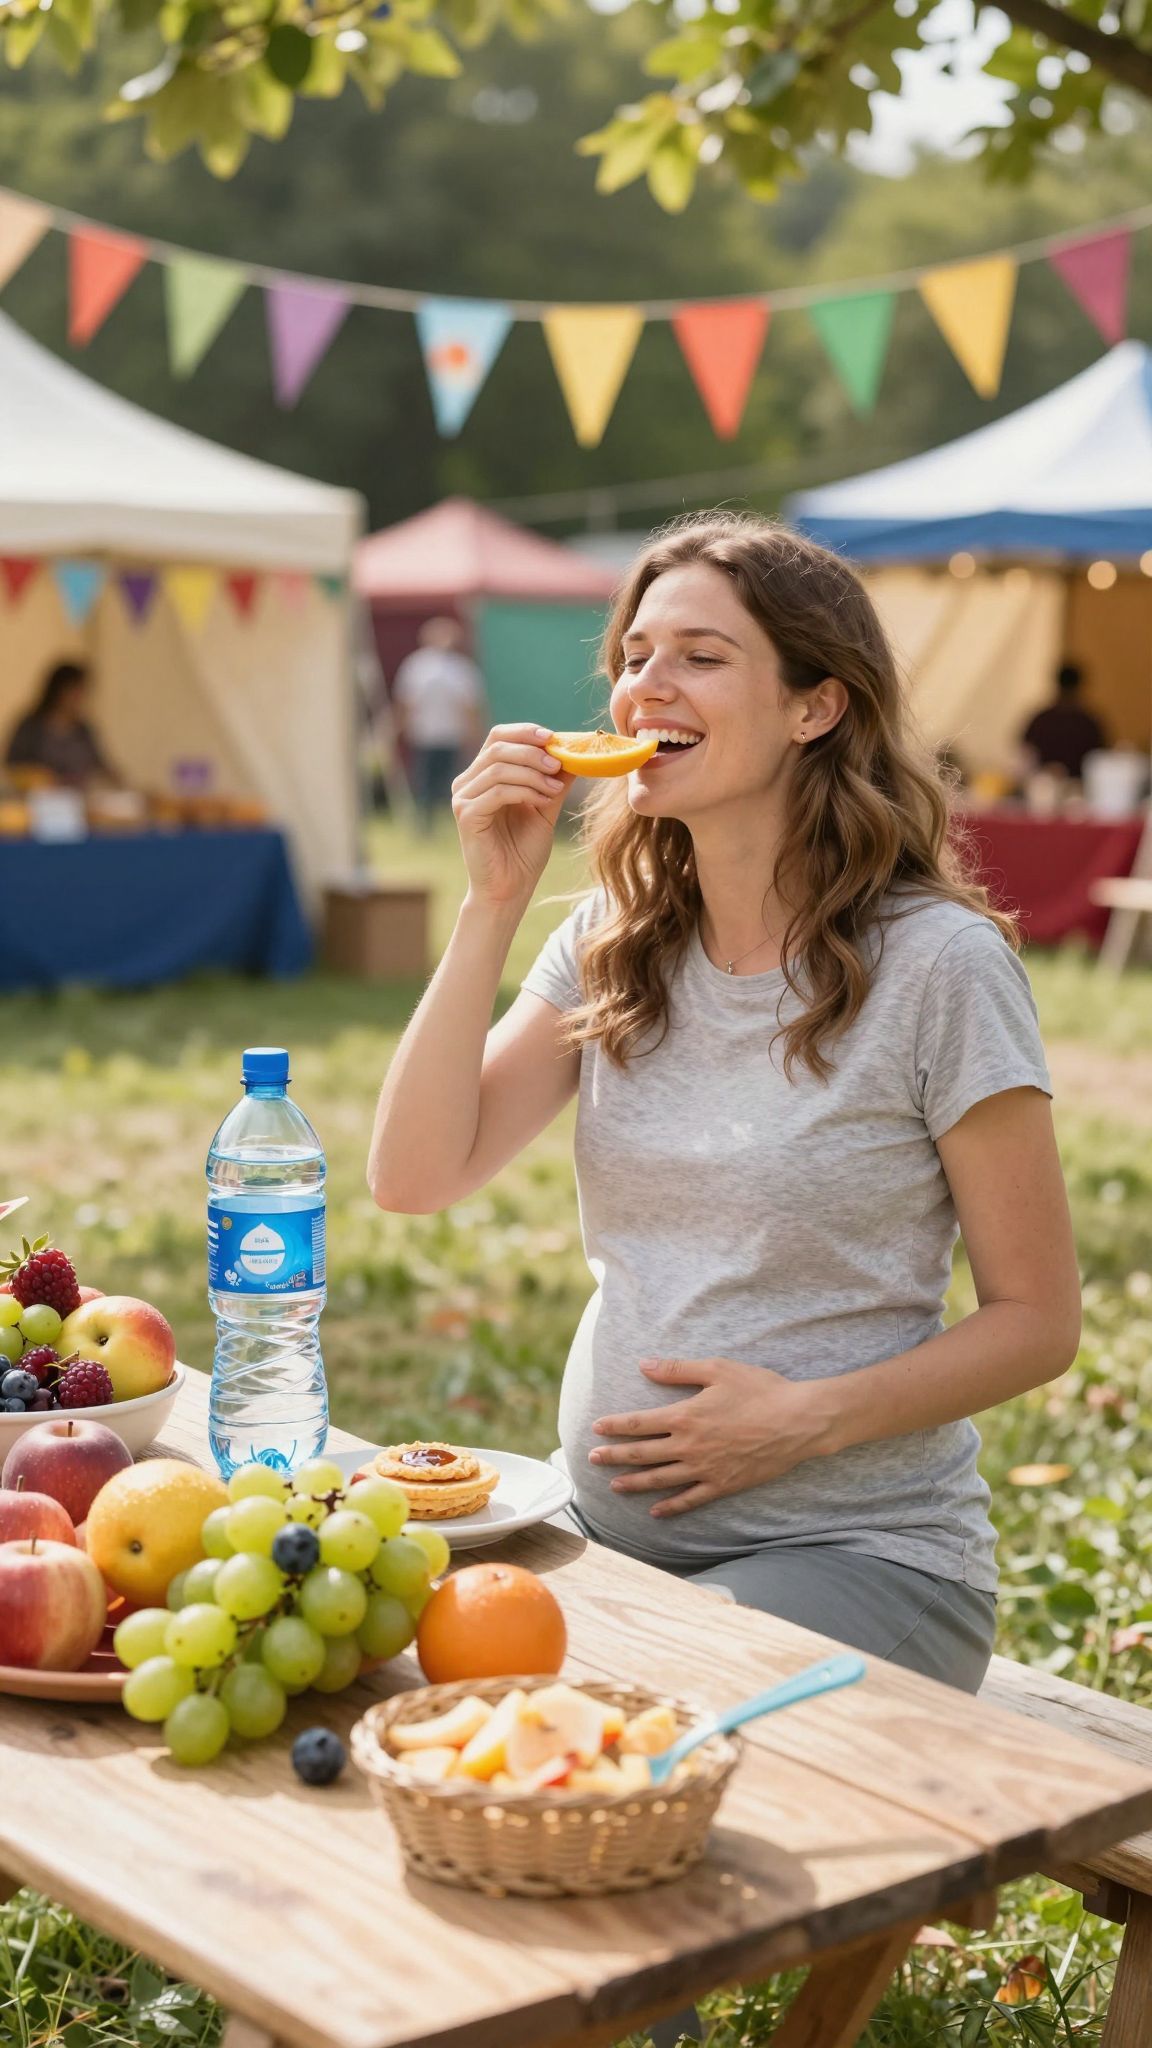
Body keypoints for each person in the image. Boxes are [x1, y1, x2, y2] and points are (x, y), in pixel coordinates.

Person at [368, 513, 1080, 1702]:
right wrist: (492, 900)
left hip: (858, 1554)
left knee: (615, 1731)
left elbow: (1038, 1319)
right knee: (406, 1699)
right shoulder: (613, 939)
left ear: (817, 704)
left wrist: (804, 1420)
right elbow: (414, 1175)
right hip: (600, 1530)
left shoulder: (941, 967)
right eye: (635, 656)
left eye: (701, 655)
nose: (647, 685)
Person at [392, 618, 484, 828]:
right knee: (431, 780)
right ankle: (428, 822)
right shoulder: (423, 666)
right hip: (428, 734)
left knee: (447, 780)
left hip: (445, 734)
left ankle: (444, 821)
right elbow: (406, 702)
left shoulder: (426, 666)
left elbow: (468, 706)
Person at [5, 662, 118, 788]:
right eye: (75, 691)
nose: (80, 698)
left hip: (78, 799)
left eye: (82, 692)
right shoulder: (31, 726)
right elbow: (12, 767)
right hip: (37, 799)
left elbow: (101, 765)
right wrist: (38, 776)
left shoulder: (84, 730)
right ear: (59, 691)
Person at [1020, 662, 1107, 783]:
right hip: (1078, 789)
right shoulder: (1089, 722)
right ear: (1080, 686)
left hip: (1043, 787)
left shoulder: (1041, 720)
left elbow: (1025, 755)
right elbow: (1101, 759)